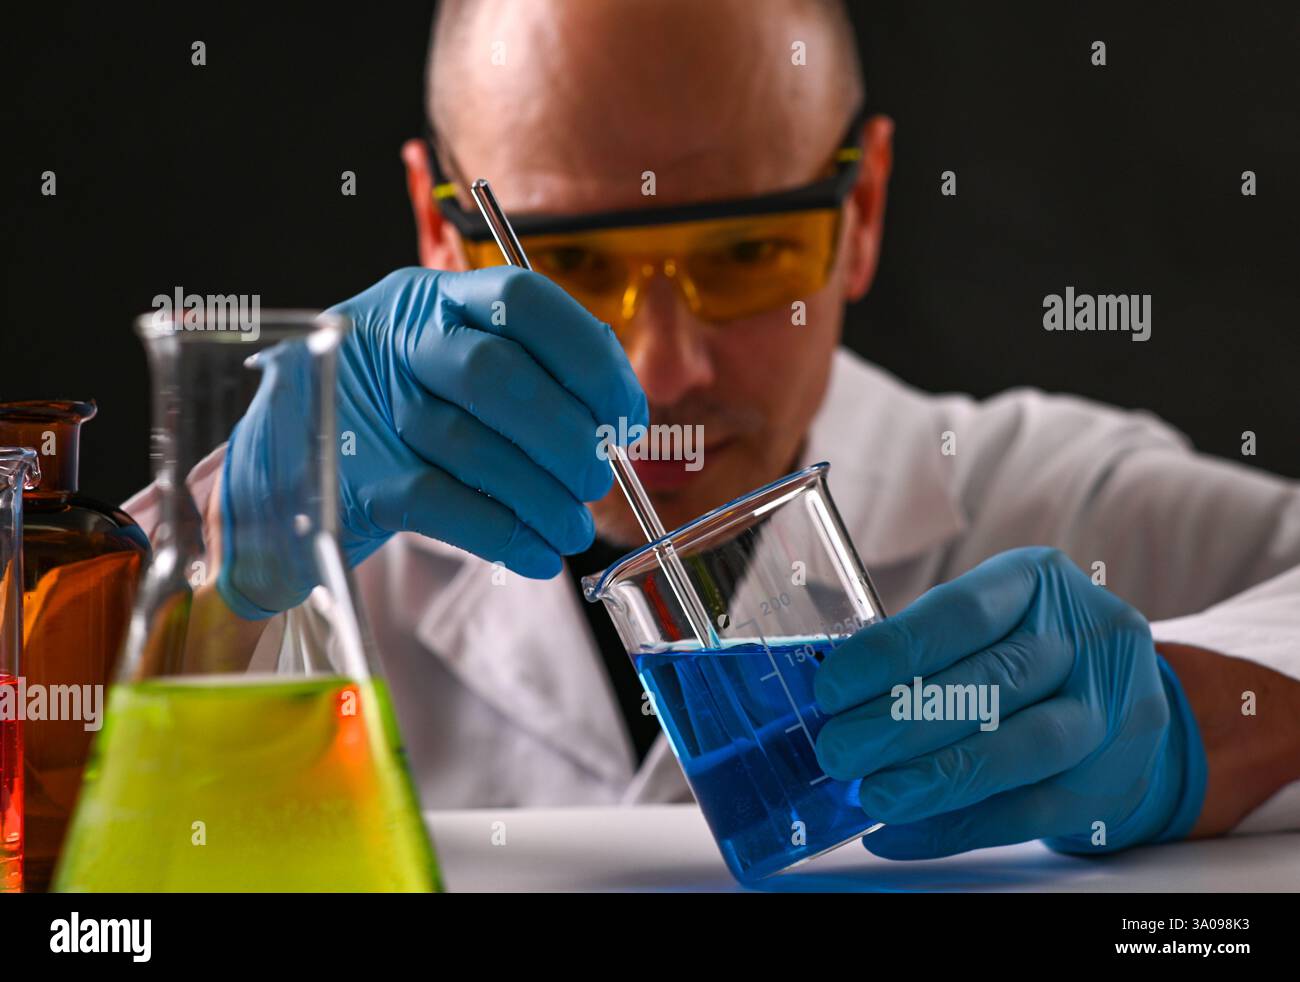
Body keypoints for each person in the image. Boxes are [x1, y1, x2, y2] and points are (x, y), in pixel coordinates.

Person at [127, 0, 1300, 859]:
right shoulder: (335, 555)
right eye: (575, 262)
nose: (664, 370)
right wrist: (233, 550)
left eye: (746, 254)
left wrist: (1196, 724)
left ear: (865, 210)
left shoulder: (1060, 500)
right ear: (442, 234)